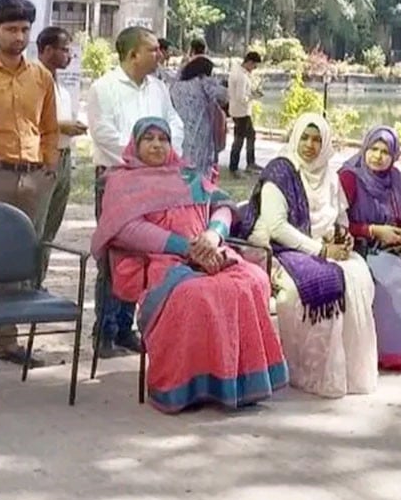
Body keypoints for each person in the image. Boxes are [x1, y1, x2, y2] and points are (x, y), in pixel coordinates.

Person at [91, 118, 287, 411]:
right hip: (162, 261)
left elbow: (223, 205)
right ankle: (187, 387)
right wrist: (186, 248)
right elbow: (127, 229)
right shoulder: (122, 181)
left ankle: (239, 382)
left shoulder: (187, 174)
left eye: (163, 139)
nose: (157, 144)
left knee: (253, 280)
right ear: (135, 144)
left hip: (210, 251)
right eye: (149, 139)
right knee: (195, 295)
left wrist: (213, 234)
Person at [233, 113, 378, 398]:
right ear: (295, 138)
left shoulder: (330, 177)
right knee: (321, 282)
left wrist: (342, 238)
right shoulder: (281, 172)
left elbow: (339, 220)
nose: (310, 145)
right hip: (275, 249)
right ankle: (309, 372)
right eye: (305, 138)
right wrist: (322, 250)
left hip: (317, 245)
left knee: (357, 275)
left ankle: (348, 371)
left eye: (317, 139)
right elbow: (276, 227)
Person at [0, 0, 59, 374]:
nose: (18, 36)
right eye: (11, 29)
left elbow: (50, 127)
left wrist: (49, 166)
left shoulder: (41, 76)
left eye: (24, 29)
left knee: (19, 260)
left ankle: (9, 342)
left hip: (32, 178)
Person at [86, 26, 184, 359]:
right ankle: (105, 332)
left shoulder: (158, 88)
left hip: (157, 182)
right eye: (154, 49)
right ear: (133, 54)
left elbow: (175, 124)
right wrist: (139, 162)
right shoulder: (104, 88)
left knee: (145, 254)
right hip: (117, 179)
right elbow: (104, 134)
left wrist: (164, 159)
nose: (160, 54)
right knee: (115, 257)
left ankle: (127, 328)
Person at [338, 126, 401, 372]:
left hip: (396, 245)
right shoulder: (349, 178)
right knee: (397, 277)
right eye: (373, 149)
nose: (378, 156)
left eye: (385, 151)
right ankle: (390, 352)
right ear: (364, 148)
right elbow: (338, 223)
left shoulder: (399, 181)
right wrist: (374, 231)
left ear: (394, 155)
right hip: (362, 245)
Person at [35, 27, 86, 277]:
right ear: (47, 50)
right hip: (43, 157)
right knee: (37, 223)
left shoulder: (60, 85)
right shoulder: (33, 80)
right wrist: (62, 126)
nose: (69, 56)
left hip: (64, 155)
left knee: (51, 224)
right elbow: (29, 121)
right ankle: (25, 280)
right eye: (64, 50)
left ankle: (38, 279)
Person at [169, 56, 228, 177]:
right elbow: (224, 97)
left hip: (179, 132)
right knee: (201, 171)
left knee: (182, 168)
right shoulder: (203, 82)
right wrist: (215, 81)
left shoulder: (176, 86)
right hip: (200, 132)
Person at [228, 51, 261, 176]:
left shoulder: (239, 72)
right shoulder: (241, 76)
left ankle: (250, 162)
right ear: (249, 62)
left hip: (240, 111)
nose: (254, 68)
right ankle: (234, 167)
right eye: (254, 65)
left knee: (251, 135)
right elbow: (240, 97)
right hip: (241, 112)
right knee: (239, 140)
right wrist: (253, 96)